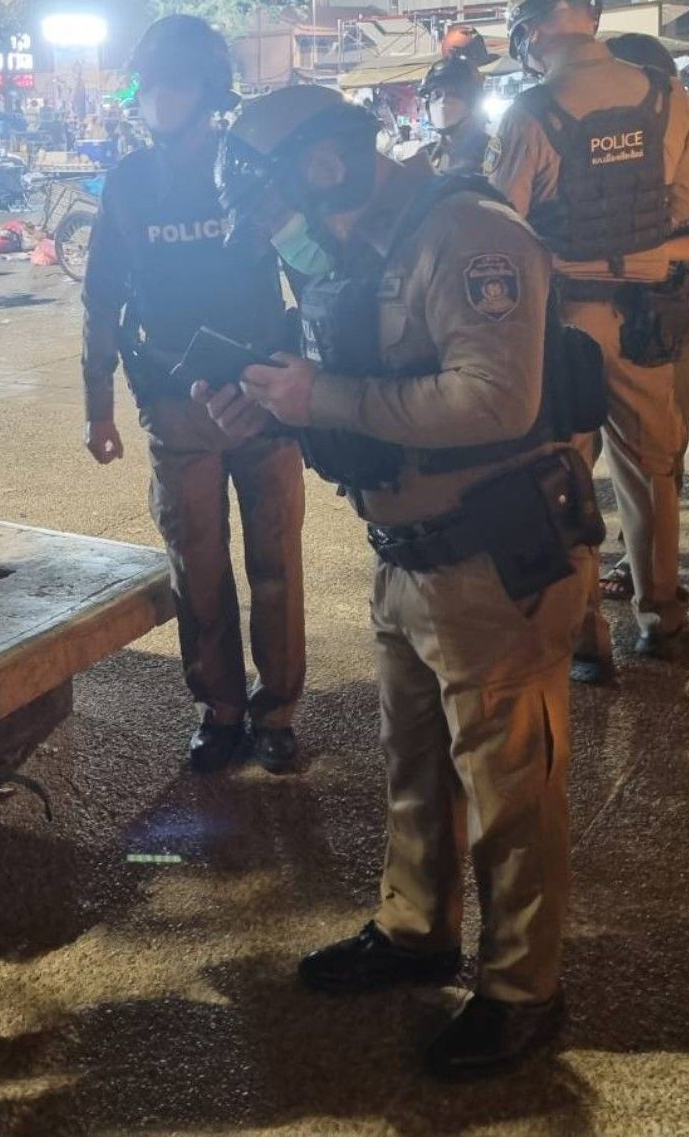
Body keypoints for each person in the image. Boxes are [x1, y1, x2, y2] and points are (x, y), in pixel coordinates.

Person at [202, 84, 601, 1077]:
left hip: (492, 560)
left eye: (275, 204)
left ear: (325, 166)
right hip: (407, 553)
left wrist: (322, 395)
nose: (274, 229)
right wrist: (277, 403)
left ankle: (522, 988)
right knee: (415, 766)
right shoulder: (349, 246)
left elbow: (496, 400)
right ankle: (416, 928)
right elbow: (357, 370)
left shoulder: (467, 235)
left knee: (510, 790)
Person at [80, 15, 308, 774]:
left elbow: (312, 274)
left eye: (174, 83)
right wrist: (98, 408)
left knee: (275, 560)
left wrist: (311, 379)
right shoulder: (129, 183)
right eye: (149, 85)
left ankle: (277, 710)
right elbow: (101, 301)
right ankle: (220, 708)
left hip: (263, 399)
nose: (158, 99)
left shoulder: (254, 172)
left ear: (209, 90)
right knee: (196, 563)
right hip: (176, 405)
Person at [491, 0, 689, 678]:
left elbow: (500, 224)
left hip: (566, 322)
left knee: (566, 474)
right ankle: (663, 620)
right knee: (652, 474)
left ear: (529, 32)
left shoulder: (528, 112)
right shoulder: (667, 94)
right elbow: (686, 202)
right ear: (590, 16)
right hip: (648, 315)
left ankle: (586, 641)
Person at [595, 32, 689, 606]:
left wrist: (650, 254)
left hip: (661, 314)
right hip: (584, 310)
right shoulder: (587, 140)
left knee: (660, 450)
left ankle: (646, 574)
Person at [419, 53, 496, 176]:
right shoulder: (426, 156)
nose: (443, 101)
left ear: (472, 102)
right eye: (436, 95)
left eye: (453, 93)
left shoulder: (493, 154)